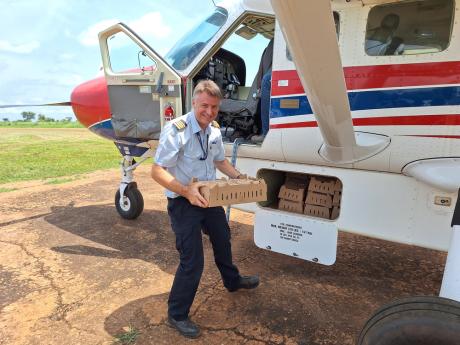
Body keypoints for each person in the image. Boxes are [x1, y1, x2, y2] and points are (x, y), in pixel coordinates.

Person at [151, 80, 260, 339]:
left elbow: (220, 161)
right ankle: (177, 313)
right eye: (204, 106)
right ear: (194, 103)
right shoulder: (175, 130)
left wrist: (240, 176)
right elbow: (156, 170)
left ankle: (232, 281)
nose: (209, 112)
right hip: (183, 200)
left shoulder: (214, 131)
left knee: (223, 238)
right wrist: (185, 191)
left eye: (214, 107)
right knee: (192, 261)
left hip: (209, 198)